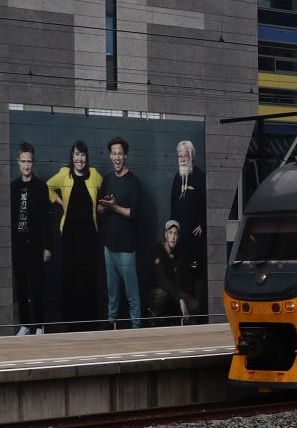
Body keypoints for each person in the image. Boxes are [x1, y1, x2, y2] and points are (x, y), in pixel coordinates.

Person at [46, 141, 103, 330]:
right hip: (70, 234)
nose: (80, 159)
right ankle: (70, 320)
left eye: (83, 155)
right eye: (77, 155)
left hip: (89, 234)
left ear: (87, 157)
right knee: (70, 276)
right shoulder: (64, 174)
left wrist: (103, 205)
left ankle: (89, 320)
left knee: (87, 276)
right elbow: (47, 187)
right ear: (72, 156)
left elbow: (104, 192)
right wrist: (61, 202)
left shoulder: (94, 175)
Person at [97, 136, 143, 329]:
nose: (117, 157)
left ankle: (137, 326)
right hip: (109, 248)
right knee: (112, 291)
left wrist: (115, 207)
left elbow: (135, 213)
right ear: (110, 156)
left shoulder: (133, 182)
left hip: (126, 249)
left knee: (132, 293)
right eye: (114, 153)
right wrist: (105, 206)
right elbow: (99, 210)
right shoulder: (106, 180)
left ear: (125, 156)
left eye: (120, 154)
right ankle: (111, 323)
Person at [9, 143, 54, 334]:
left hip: (36, 244)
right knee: (21, 286)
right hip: (18, 244)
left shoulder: (41, 187)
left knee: (38, 287)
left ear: (33, 163)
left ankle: (40, 325)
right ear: (18, 163)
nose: (26, 165)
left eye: (29, 162)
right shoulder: (12, 187)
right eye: (23, 162)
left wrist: (47, 247)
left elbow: (46, 219)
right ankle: (26, 325)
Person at [169, 140, 207, 322]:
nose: (183, 159)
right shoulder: (177, 178)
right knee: (181, 276)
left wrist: (204, 224)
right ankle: (185, 315)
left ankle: (199, 314)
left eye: (185, 156)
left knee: (197, 276)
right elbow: (172, 206)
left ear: (192, 156)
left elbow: (211, 205)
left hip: (196, 239)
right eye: (180, 156)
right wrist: (172, 230)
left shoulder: (201, 177)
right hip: (180, 239)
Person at [149, 220, 198, 325]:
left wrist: (182, 297)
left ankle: (177, 320)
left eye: (176, 233)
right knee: (162, 294)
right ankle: (155, 318)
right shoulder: (158, 250)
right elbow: (161, 279)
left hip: (173, 290)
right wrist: (180, 299)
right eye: (170, 233)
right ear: (166, 234)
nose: (173, 236)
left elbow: (179, 278)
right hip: (158, 289)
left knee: (194, 305)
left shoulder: (179, 253)